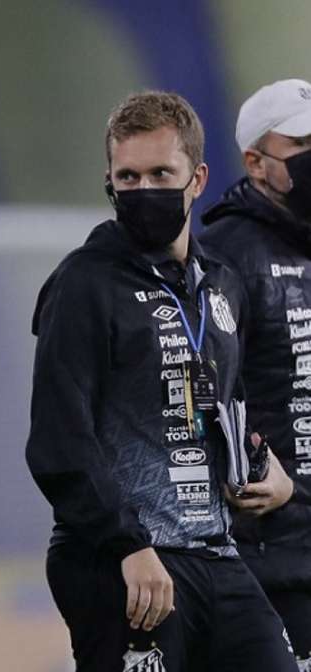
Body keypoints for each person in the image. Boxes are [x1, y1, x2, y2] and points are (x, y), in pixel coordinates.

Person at [25, 90, 297, 671]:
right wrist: (127, 545)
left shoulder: (222, 284)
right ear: (109, 181)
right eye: (128, 176)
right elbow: (59, 439)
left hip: (218, 553)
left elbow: (229, 406)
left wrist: (262, 467)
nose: (143, 190)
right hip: (125, 561)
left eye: (160, 174)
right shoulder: (83, 284)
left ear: (196, 178)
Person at [200, 78, 311, 670]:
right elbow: (201, 393)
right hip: (267, 562)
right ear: (255, 162)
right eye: (303, 143)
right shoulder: (224, 254)